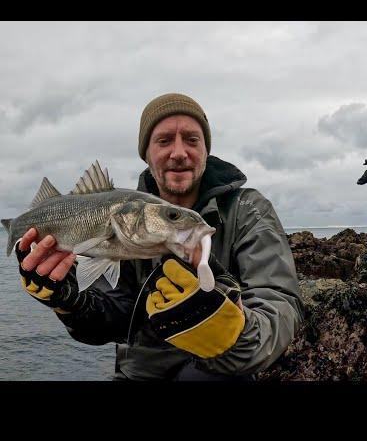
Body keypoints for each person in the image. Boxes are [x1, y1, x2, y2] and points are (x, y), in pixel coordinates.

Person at [14, 93, 304, 381]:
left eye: (192, 139)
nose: (179, 152)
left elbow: (280, 303)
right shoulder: (126, 220)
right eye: (164, 141)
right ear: (146, 153)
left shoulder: (249, 209)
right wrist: (70, 301)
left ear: (206, 149)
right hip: (139, 374)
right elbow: (114, 319)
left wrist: (234, 334)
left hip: (222, 370)